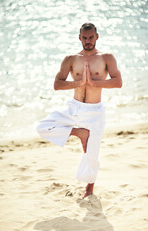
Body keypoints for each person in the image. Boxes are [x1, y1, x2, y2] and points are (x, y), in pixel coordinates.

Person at [36, 23, 122, 199]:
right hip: (73, 107)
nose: (88, 41)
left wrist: (95, 83)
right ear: (79, 37)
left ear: (97, 37)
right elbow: (57, 85)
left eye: (91, 37)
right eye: (84, 37)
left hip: (94, 111)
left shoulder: (107, 57)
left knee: (92, 153)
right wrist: (78, 83)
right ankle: (78, 133)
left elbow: (117, 82)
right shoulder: (70, 59)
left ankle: (89, 189)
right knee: (42, 127)